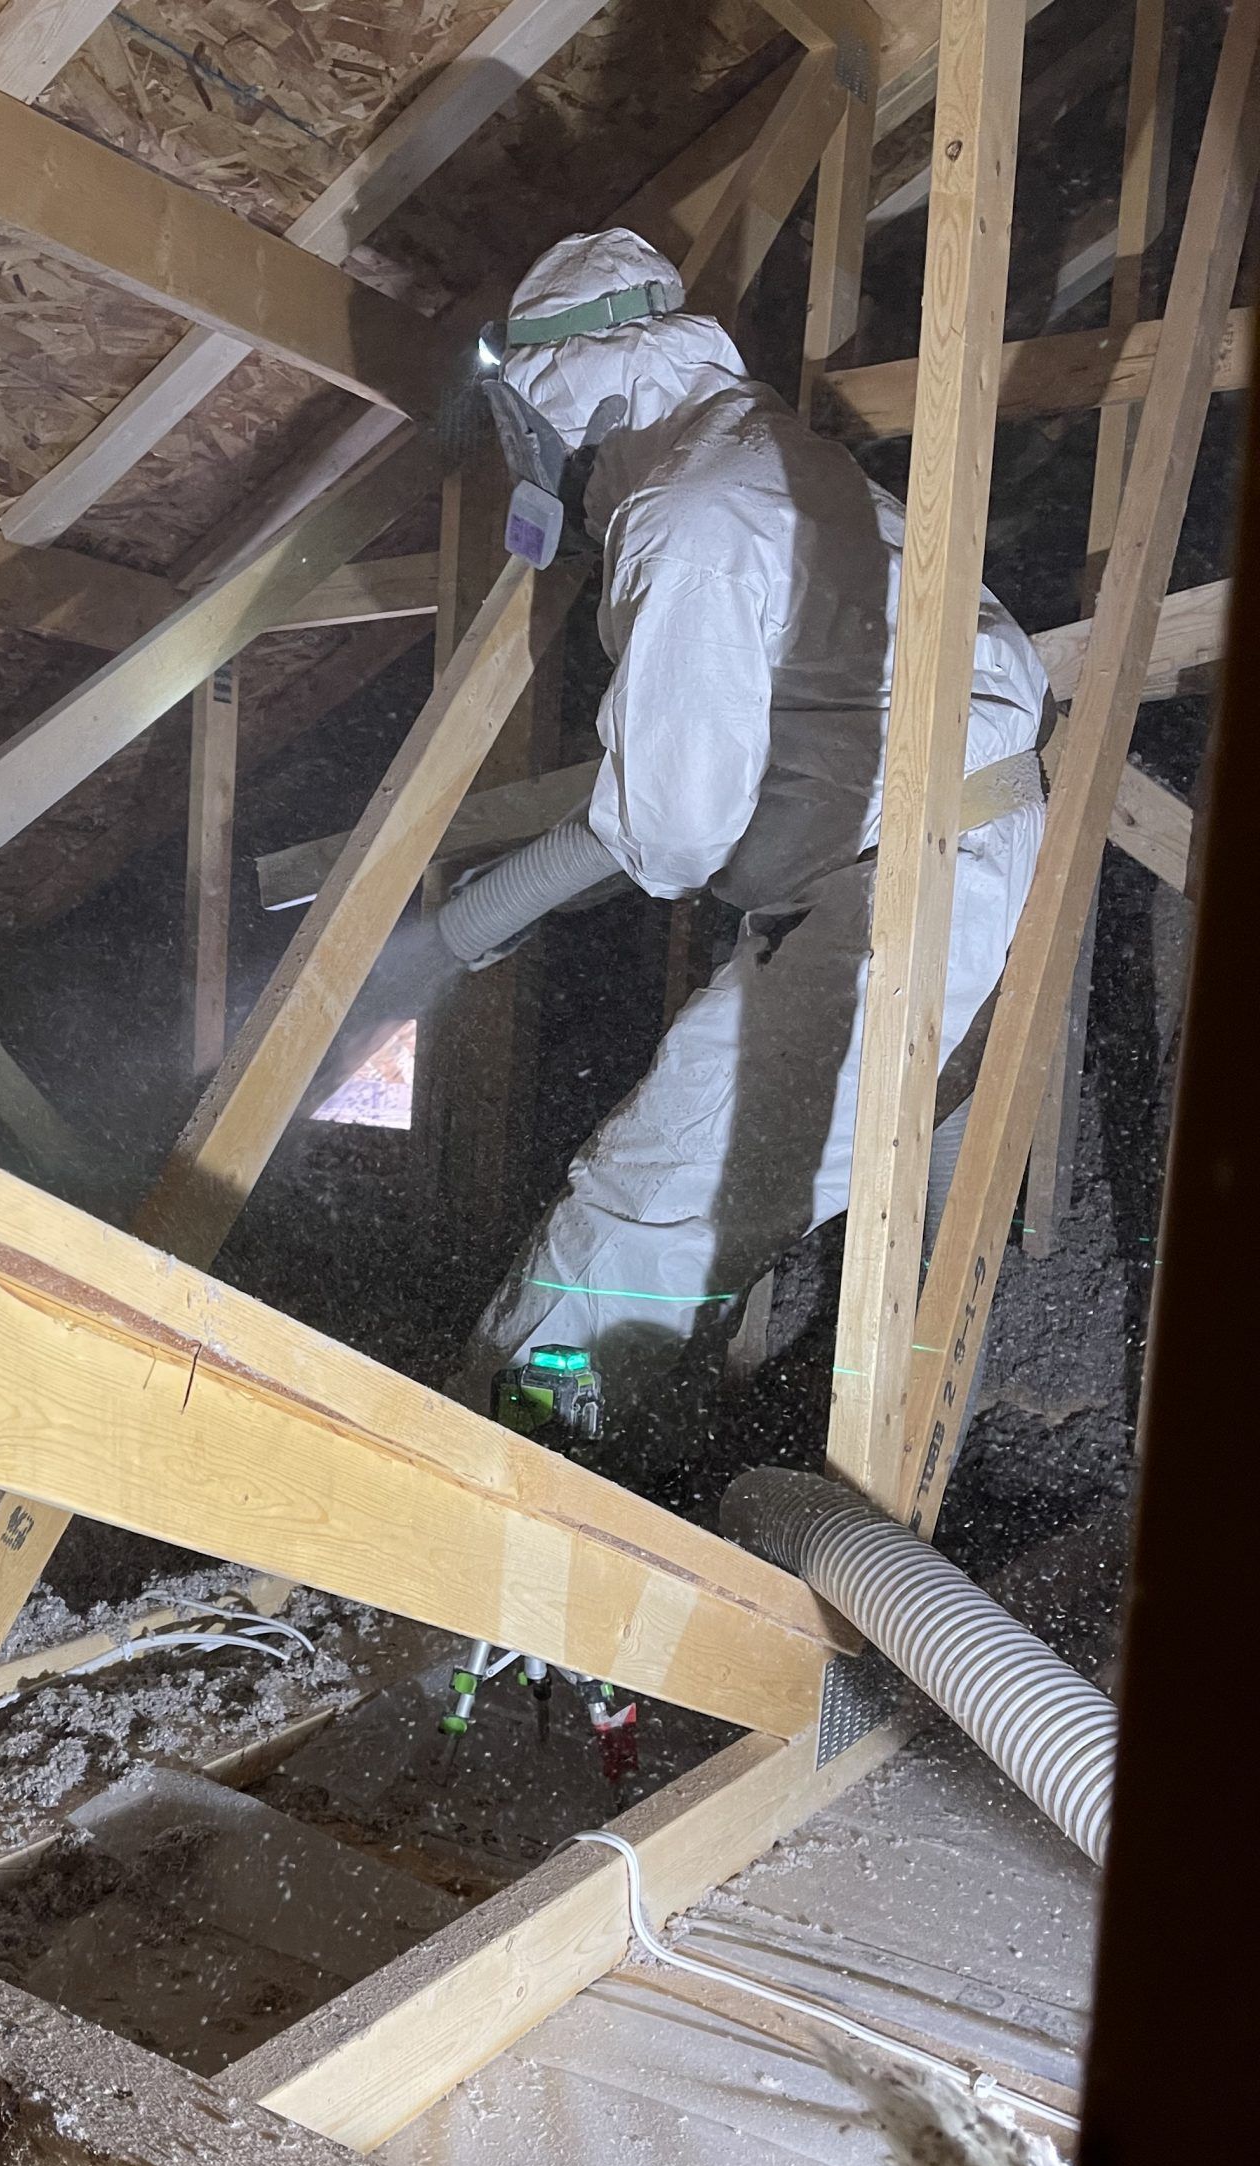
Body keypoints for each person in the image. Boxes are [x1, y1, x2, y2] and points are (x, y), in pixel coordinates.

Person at [439, 225, 1050, 1421]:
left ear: (577, 386)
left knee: (649, 1204)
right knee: (711, 1192)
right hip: (931, 857)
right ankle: (615, 1431)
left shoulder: (690, 515)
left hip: (895, 889)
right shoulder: (759, 458)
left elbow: (673, 830)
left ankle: (507, 1455)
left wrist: (490, 910)